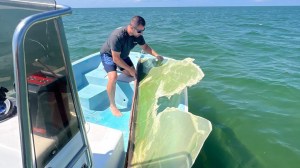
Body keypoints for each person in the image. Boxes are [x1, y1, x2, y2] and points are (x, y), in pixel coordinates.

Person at [100, 16, 163, 117]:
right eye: (139, 31)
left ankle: (118, 69)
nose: (141, 33)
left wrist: (156, 55)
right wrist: (129, 68)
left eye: (143, 30)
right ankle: (112, 105)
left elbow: (145, 47)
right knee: (113, 77)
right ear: (132, 28)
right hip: (109, 55)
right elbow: (115, 58)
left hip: (123, 55)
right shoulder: (117, 36)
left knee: (132, 75)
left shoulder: (138, 36)